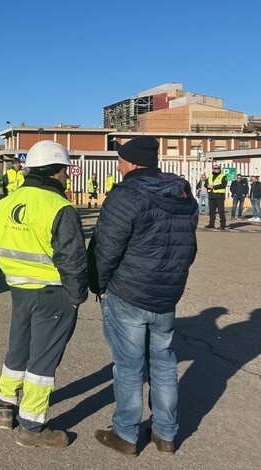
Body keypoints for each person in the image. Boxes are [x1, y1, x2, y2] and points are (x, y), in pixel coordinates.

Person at [92, 136, 198, 457]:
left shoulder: (126, 195)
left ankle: (126, 433)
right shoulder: (182, 192)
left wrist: (98, 283)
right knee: (164, 362)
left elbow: (106, 247)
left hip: (128, 291)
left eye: (121, 160)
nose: (119, 165)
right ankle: (165, 434)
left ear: (133, 163)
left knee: (128, 365)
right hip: (165, 293)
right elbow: (189, 247)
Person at [0, 140, 87, 448]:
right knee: (43, 360)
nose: (67, 177)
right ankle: (32, 426)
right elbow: (73, 259)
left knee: (18, 348)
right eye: (65, 171)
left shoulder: (7, 202)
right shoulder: (59, 207)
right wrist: (76, 297)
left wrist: (15, 275)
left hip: (19, 288)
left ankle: (5, 405)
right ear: (55, 172)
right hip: (53, 293)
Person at [204, 163, 227, 229]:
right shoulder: (210, 176)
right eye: (215, 168)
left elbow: (223, 185)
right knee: (211, 211)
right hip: (211, 196)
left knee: (221, 211)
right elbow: (205, 183)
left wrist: (213, 187)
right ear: (213, 169)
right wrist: (207, 186)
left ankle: (222, 225)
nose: (217, 169)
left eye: (218, 168)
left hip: (219, 196)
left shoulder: (223, 176)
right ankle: (211, 224)